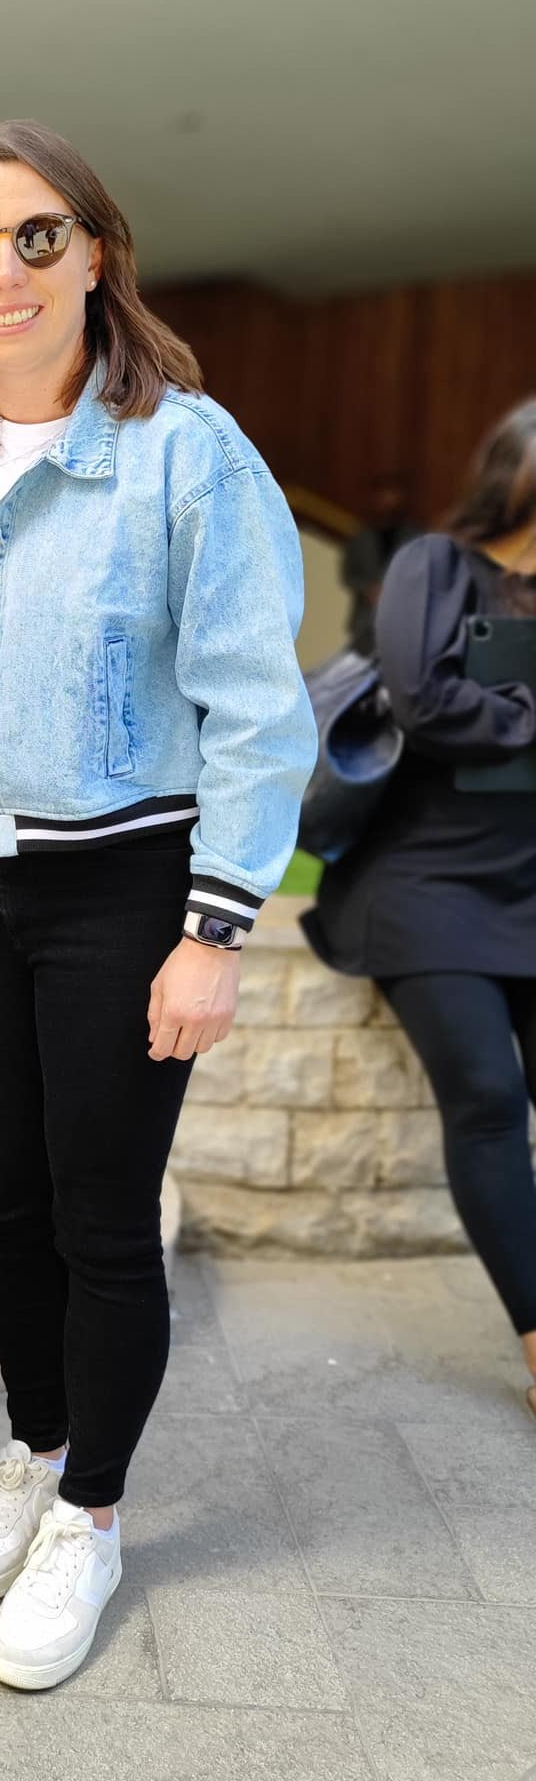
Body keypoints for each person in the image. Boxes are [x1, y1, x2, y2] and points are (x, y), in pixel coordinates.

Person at [0, 121, 315, 1690]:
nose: (4, 272)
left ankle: (92, 1511)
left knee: (98, 1214)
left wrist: (212, 932)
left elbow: (257, 708)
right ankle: (35, 1440)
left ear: (98, 251)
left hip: (123, 885)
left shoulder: (185, 449)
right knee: (0, 1201)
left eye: (35, 237)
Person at [306, 400, 536, 1419]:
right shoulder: (438, 566)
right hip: (428, 887)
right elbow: (426, 695)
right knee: (487, 1093)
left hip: (531, 882)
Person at [342, 473, 423, 656]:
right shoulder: (361, 535)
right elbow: (349, 574)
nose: (388, 500)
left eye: (393, 494)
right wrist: (368, 589)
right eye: (384, 494)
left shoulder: (415, 536)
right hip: (365, 621)